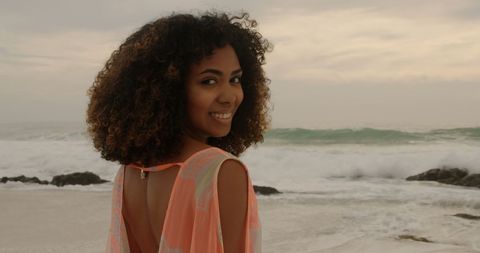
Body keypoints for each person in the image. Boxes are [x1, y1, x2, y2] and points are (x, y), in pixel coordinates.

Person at [86, 11, 272, 253]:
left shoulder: (129, 172)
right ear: (169, 90)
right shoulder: (220, 171)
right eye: (209, 81)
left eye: (235, 80)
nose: (229, 97)